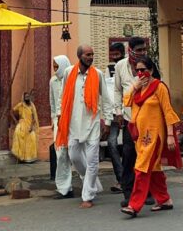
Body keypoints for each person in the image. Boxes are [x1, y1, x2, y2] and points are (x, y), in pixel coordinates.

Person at [120, 56, 181, 218]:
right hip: (140, 137)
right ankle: (164, 199)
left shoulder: (159, 87)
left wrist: (169, 136)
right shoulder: (139, 88)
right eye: (137, 70)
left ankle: (134, 205)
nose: (140, 73)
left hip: (155, 136)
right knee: (153, 168)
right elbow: (126, 101)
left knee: (141, 168)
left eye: (143, 70)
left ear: (151, 70)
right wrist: (135, 87)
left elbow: (168, 112)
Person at [55, 44, 112, 208]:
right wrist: (59, 114)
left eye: (92, 54)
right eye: (88, 54)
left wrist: (107, 122)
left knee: (93, 161)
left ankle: (87, 196)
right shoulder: (68, 73)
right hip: (73, 123)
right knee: (74, 156)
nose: (90, 57)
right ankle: (93, 183)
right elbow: (62, 95)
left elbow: (106, 99)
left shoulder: (98, 74)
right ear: (79, 56)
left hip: (92, 122)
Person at [114, 37, 148, 207]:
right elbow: (117, 90)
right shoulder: (120, 66)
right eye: (139, 50)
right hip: (129, 119)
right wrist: (118, 112)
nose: (142, 53)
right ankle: (128, 193)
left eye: (144, 50)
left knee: (146, 156)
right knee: (128, 156)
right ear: (131, 50)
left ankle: (147, 192)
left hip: (147, 120)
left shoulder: (149, 65)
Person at [106, 43, 126, 192]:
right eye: (112, 54)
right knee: (112, 144)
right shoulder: (109, 70)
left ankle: (128, 179)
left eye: (116, 54)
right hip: (114, 113)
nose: (114, 57)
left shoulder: (129, 68)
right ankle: (121, 179)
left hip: (130, 113)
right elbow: (108, 92)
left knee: (128, 147)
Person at [49, 55, 71, 180]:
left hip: (72, 120)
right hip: (58, 121)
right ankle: (64, 184)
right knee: (60, 152)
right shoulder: (53, 81)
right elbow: (52, 101)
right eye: (54, 67)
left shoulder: (72, 79)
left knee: (74, 153)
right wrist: (53, 119)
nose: (55, 69)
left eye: (57, 67)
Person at [11, 91, 39, 163]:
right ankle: (20, 157)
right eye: (26, 97)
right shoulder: (21, 105)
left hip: (29, 126)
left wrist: (32, 127)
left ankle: (29, 159)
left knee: (32, 138)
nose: (27, 98)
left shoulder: (32, 106)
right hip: (22, 124)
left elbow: (34, 118)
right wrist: (15, 121)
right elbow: (11, 112)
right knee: (18, 135)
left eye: (28, 97)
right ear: (23, 98)